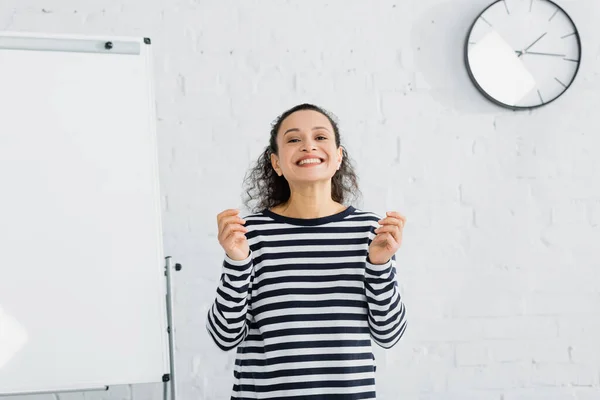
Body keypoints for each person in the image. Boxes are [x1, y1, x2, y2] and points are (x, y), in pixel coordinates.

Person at [206, 103, 408, 399]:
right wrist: (237, 262)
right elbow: (224, 336)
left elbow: (389, 334)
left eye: (321, 137)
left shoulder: (371, 232)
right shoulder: (249, 234)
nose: (308, 146)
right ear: (276, 163)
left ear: (338, 157)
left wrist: (378, 265)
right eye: (293, 139)